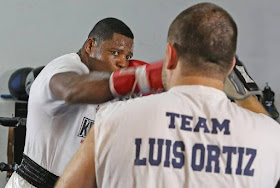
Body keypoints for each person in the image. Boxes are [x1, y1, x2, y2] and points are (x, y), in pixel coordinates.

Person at [56, 3, 280, 188]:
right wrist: (246, 97)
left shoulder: (112, 119)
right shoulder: (270, 136)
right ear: (230, 66)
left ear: (170, 55)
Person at [5, 17, 136, 188]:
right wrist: (137, 79)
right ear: (90, 46)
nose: (123, 63)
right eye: (115, 53)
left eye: (128, 56)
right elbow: (70, 90)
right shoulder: (65, 68)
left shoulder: (107, 87)